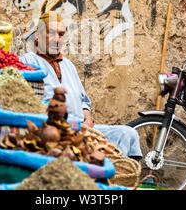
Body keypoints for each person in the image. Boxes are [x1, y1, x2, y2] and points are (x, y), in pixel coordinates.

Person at [20, 11, 142, 159]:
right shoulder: (28, 62)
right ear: (38, 35)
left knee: (128, 134)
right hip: (55, 131)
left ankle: (122, 175)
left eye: (60, 34)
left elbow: (84, 102)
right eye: (51, 33)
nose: (56, 39)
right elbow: (29, 105)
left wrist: (88, 120)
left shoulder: (68, 65)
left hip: (83, 128)